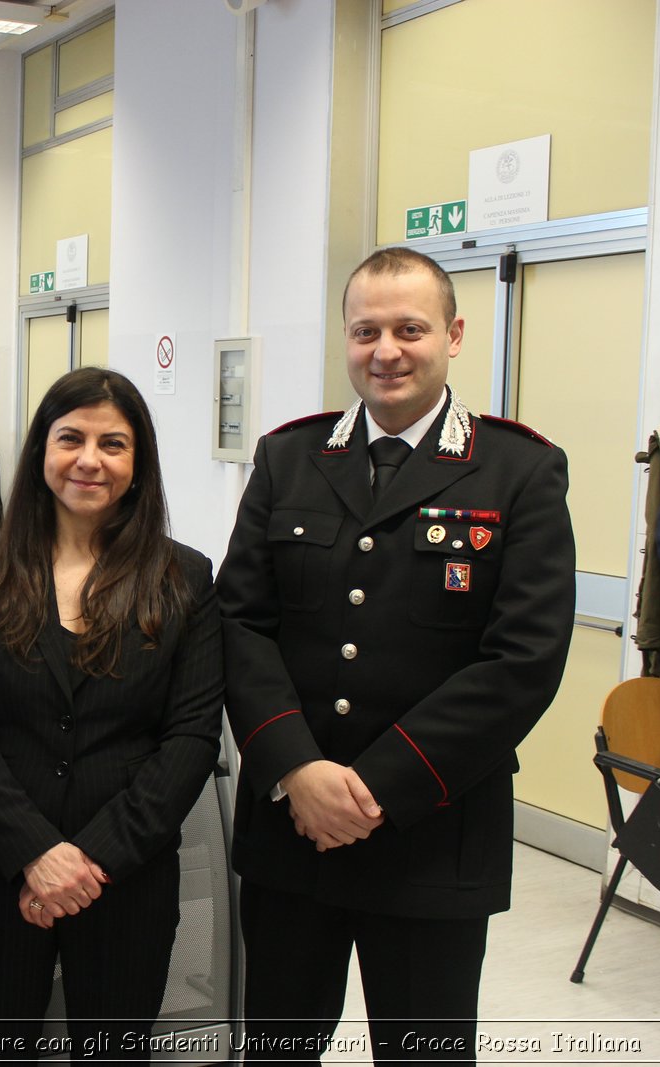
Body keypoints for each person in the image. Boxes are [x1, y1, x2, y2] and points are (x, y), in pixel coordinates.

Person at [217, 247, 576, 1062]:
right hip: (291, 829)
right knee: (276, 1049)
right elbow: (240, 623)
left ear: (453, 334)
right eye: (366, 330)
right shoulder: (288, 458)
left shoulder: (517, 470)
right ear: (345, 340)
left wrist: (374, 787)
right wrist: (297, 770)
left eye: (410, 328)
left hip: (432, 836)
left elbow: (523, 659)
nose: (387, 350)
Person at [0, 367, 223, 1060]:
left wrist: (88, 861)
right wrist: (35, 853)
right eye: (71, 438)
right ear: (41, 451)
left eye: (113, 443)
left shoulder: (183, 577)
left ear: (138, 462)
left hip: (126, 880)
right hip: (5, 871)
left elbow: (190, 738)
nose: (89, 459)